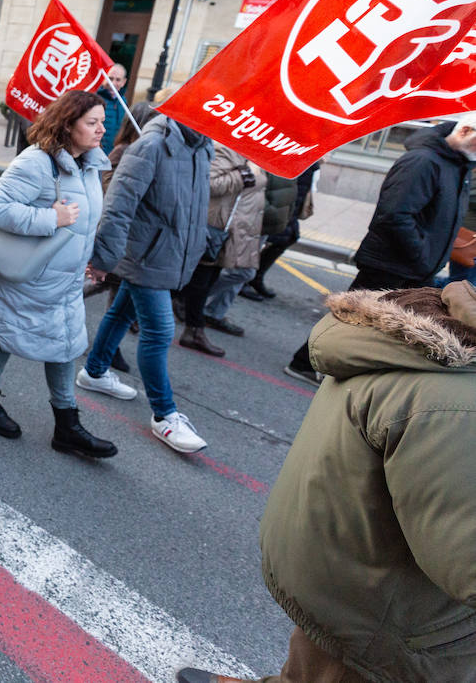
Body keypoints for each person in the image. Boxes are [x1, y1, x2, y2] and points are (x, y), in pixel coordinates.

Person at [177, 281, 476, 683]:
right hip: (391, 613)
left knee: (315, 667)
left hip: (349, 575)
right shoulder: (457, 400)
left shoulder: (417, 333)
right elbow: (465, 560)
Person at [0, 90, 118, 458]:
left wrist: (90, 257)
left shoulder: (90, 164)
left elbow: (85, 223)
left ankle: (67, 426)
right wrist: (50, 218)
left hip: (65, 280)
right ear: (68, 125)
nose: (102, 129)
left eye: (102, 121)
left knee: (66, 344)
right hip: (30, 276)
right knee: (4, 334)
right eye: (92, 122)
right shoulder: (37, 162)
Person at [285, 114, 476, 385]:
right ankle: (305, 362)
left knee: (372, 325)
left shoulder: (456, 165)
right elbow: (394, 215)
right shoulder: (423, 161)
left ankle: (336, 366)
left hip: (414, 265)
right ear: (465, 130)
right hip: (391, 263)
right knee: (349, 318)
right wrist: (422, 257)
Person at [77, 114, 214, 454]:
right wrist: (104, 258)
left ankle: (94, 372)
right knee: (159, 331)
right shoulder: (152, 145)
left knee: (122, 313)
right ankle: (165, 415)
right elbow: (118, 207)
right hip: (144, 256)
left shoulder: (202, 147)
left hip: (164, 254)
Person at [177, 145, 261, 357]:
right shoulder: (227, 149)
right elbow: (210, 183)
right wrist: (245, 173)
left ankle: (192, 327)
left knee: (204, 282)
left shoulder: (250, 152)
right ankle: (193, 330)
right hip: (213, 226)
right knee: (199, 281)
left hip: (230, 229)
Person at [240, 164, 318, 301]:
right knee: (272, 240)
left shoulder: (311, 162)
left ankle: (252, 277)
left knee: (288, 237)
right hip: (277, 206)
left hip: (287, 206)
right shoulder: (297, 156)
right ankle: (245, 279)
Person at [95, 65, 128, 154]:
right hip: (96, 152)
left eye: (118, 80)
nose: (113, 83)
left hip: (112, 153)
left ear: (123, 82)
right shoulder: (95, 98)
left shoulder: (123, 101)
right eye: (110, 78)